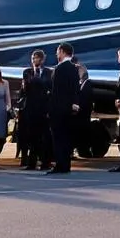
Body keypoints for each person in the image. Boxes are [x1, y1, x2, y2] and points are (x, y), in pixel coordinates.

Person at [47, 43, 80, 175]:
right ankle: (66, 165)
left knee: (58, 138)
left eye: (58, 52)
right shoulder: (74, 68)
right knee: (66, 138)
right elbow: (75, 89)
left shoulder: (59, 69)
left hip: (58, 109)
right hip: (68, 109)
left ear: (62, 52)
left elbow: (56, 91)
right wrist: (74, 103)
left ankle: (60, 165)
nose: (56, 54)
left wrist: (50, 108)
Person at [21, 50, 53, 171]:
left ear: (42, 60)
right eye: (33, 58)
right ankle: (31, 163)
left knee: (45, 137)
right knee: (32, 137)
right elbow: (26, 89)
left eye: (37, 58)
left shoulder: (48, 73)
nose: (34, 60)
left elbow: (49, 88)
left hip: (44, 109)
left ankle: (45, 162)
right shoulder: (27, 72)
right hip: (31, 108)